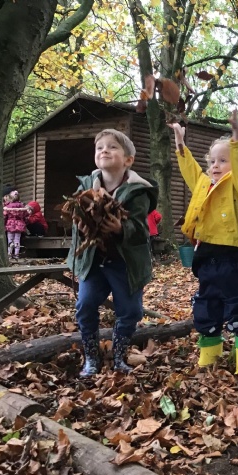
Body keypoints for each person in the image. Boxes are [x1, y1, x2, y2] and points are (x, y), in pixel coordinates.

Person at [168, 110, 238, 374]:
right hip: (206, 255)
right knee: (207, 304)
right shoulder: (204, 185)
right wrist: (180, 143)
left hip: (233, 257)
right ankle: (210, 356)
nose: (215, 165)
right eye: (212, 161)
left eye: (223, 160)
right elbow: (191, 171)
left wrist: (237, 136)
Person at [67, 129, 159, 377]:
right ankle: (91, 357)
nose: (104, 150)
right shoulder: (86, 186)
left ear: (128, 160)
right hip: (93, 260)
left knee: (130, 310)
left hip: (126, 263)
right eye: (100, 148)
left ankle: (119, 356)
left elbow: (141, 230)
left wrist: (121, 228)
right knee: (85, 305)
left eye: (112, 147)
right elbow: (77, 219)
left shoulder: (138, 191)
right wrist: (82, 227)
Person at [3, 190, 29, 259]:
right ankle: (16, 254)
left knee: (10, 240)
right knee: (17, 240)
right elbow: (26, 215)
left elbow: (4, 215)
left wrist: (4, 224)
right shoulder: (22, 206)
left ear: (10, 198)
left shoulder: (8, 206)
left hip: (10, 225)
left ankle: (10, 254)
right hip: (19, 225)